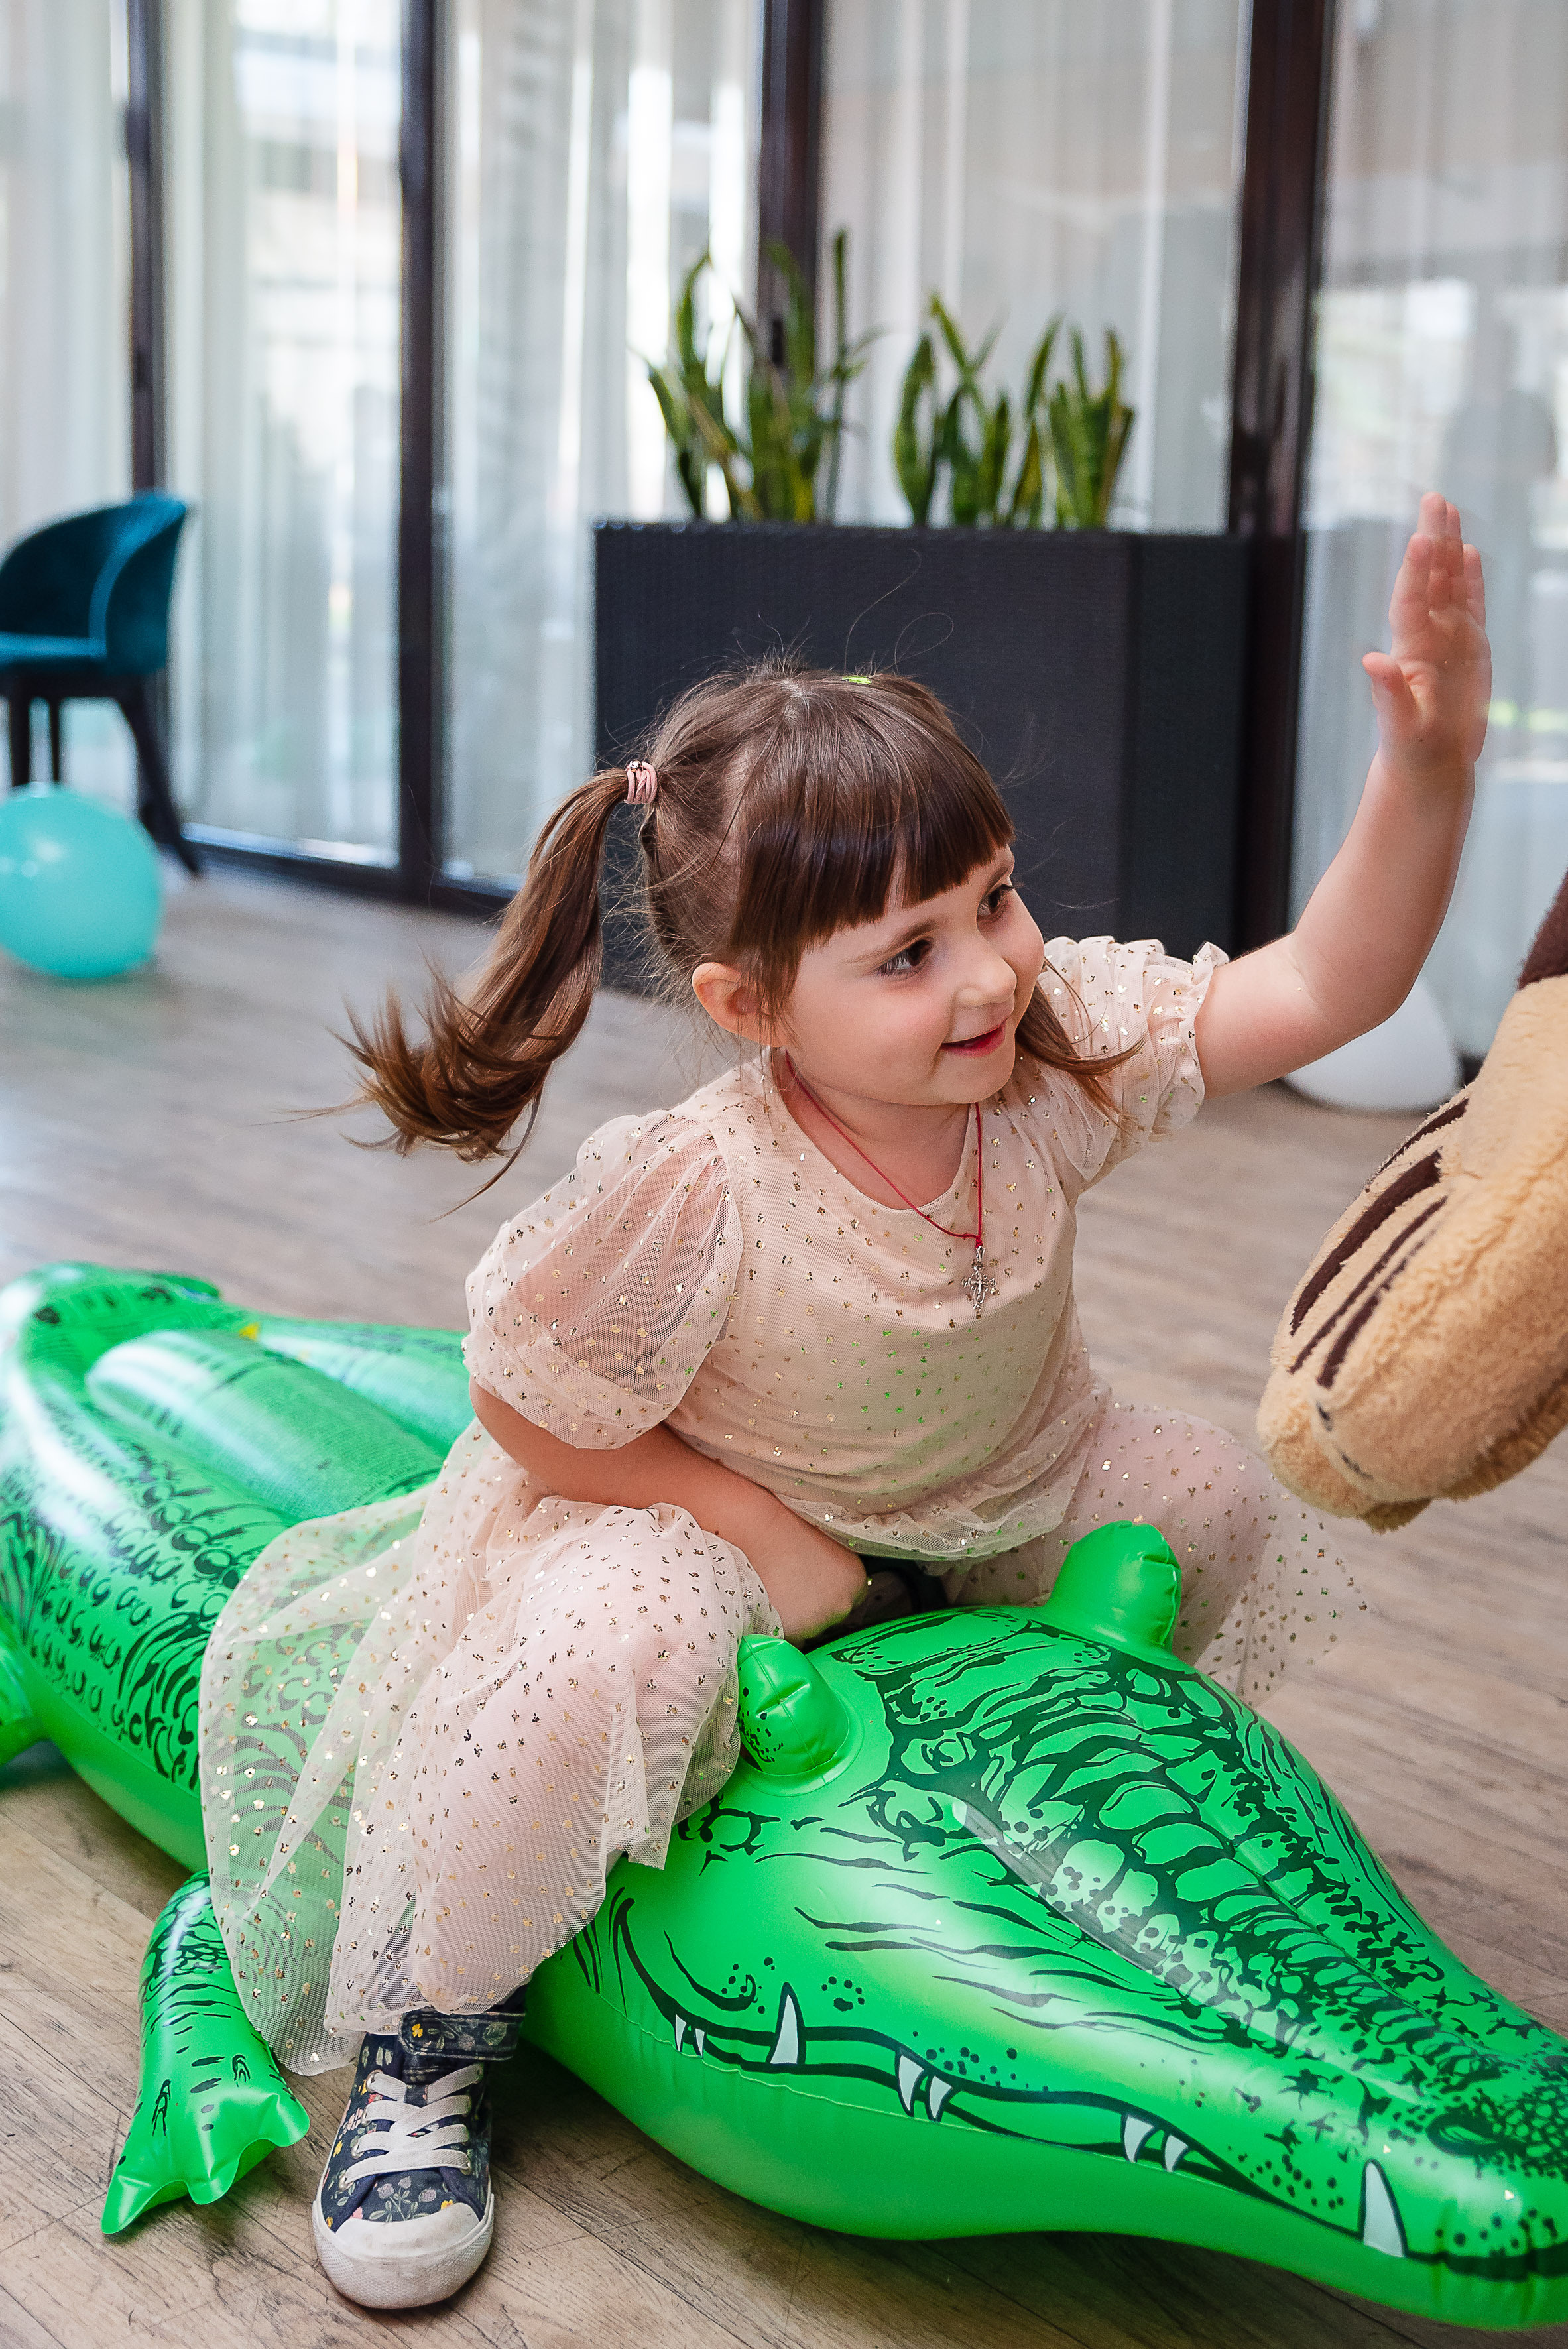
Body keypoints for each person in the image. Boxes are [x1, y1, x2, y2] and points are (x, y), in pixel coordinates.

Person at [200, 492, 1488, 2310]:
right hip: (740, 1521)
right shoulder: (702, 1182)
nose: (989, 970)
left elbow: (1327, 985)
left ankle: (1031, 1822)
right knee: (605, 1647)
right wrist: (759, 1535)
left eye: (996, 900)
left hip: (994, 1499)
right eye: (909, 954)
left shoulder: (1045, 1054)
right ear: (749, 1005)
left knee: (1194, 1487)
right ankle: (431, 2031)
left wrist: (1429, 770)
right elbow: (525, 1403)